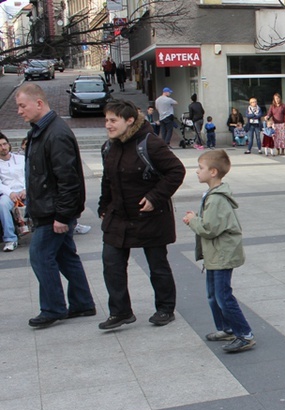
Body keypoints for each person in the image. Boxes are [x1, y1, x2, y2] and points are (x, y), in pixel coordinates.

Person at [98, 100, 186, 330]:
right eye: (106, 120)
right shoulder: (109, 146)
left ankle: (165, 308)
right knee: (112, 263)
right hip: (119, 215)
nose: (108, 125)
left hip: (150, 215)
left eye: (113, 120)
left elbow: (176, 171)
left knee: (157, 265)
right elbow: (107, 179)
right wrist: (103, 206)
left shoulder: (150, 143)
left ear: (129, 121)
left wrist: (155, 197)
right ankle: (120, 312)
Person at [15, 83, 96, 328]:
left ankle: (53, 308)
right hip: (48, 209)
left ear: (39, 103)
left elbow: (68, 180)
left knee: (40, 256)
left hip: (54, 213)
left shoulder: (55, 133)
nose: (19, 111)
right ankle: (82, 303)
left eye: (22, 105)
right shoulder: (41, 130)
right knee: (65, 256)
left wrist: (62, 215)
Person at [183, 150, 256, 353]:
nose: (197, 172)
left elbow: (209, 229)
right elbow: (212, 223)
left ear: (213, 172)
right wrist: (198, 218)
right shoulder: (212, 195)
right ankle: (226, 328)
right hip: (215, 254)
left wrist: (192, 220)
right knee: (213, 295)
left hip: (222, 255)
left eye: (200, 168)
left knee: (223, 296)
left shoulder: (216, 199)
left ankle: (244, 334)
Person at [0, 133, 25, 252]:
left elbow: (30, 175)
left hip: (25, 190)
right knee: (3, 204)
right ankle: (10, 239)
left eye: (5, 144)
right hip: (8, 193)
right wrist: (10, 193)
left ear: (9, 145)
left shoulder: (21, 159)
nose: (3, 147)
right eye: (0, 145)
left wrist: (26, 189)